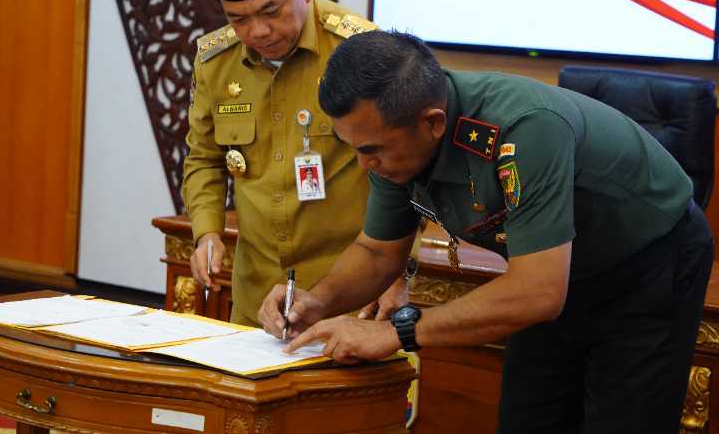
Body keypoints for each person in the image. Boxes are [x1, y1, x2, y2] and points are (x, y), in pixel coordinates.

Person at [259, 30, 714, 433]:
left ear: (433, 122)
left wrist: (397, 332)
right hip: (554, 272)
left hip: (649, 262)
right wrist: (317, 302)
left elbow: (538, 292)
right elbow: (378, 253)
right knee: (527, 418)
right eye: (355, 149)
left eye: (371, 150)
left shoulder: (524, 129)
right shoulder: (395, 135)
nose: (363, 165)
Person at [182, 0, 408, 326]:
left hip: (349, 294)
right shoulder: (216, 63)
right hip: (255, 297)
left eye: (271, 11)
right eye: (238, 19)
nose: (259, 31)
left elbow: (402, 167)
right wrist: (207, 232)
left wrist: (394, 268)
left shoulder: (360, 50)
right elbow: (203, 159)